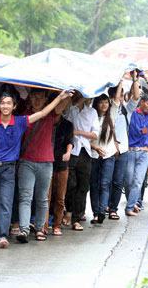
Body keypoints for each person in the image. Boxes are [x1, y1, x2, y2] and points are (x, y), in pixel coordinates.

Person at [0, 74, 72, 248]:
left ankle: (2, 236)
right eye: (3, 103)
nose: (6, 106)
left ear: (14, 106)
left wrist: (60, 97)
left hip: (9, 168)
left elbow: (42, 113)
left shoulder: (20, 122)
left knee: (6, 203)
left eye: (9, 103)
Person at [16, 89, 69, 243]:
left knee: (42, 199)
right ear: (30, 98)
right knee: (26, 197)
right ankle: (24, 230)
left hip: (46, 162)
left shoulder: (51, 113)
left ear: (46, 98)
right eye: (34, 97)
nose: (37, 100)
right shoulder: (24, 114)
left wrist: (66, 93)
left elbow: (62, 105)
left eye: (40, 97)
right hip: (27, 161)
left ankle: (40, 229)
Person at [64, 92, 99, 231]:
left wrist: (78, 132)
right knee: (70, 184)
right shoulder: (70, 109)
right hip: (71, 150)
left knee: (83, 186)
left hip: (85, 151)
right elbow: (65, 120)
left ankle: (77, 218)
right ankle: (68, 212)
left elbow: (95, 134)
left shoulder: (92, 112)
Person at [125, 73, 148, 216]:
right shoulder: (132, 112)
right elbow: (136, 95)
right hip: (131, 152)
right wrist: (136, 79)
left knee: (138, 182)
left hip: (144, 153)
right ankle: (133, 202)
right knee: (129, 181)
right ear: (142, 102)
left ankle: (130, 207)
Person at [107, 79, 139, 220]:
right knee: (106, 181)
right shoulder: (106, 108)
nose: (119, 97)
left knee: (118, 181)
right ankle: (104, 206)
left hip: (124, 150)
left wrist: (135, 79)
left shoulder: (127, 109)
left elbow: (136, 96)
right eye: (117, 95)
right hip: (108, 149)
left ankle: (113, 208)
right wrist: (119, 82)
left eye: (120, 95)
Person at [89, 94, 117, 224]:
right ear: (96, 104)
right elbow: (85, 139)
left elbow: (116, 100)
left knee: (105, 183)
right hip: (93, 155)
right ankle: (95, 213)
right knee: (94, 185)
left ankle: (101, 212)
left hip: (109, 155)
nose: (104, 105)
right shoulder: (91, 117)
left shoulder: (112, 115)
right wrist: (94, 147)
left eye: (106, 102)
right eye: (101, 102)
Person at [46, 115, 73, 236]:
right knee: (46, 197)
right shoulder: (46, 121)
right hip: (46, 162)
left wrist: (68, 153)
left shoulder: (67, 124)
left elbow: (70, 141)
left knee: (60, 197)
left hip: (62, 162)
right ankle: (44, 225)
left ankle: (57, 225)